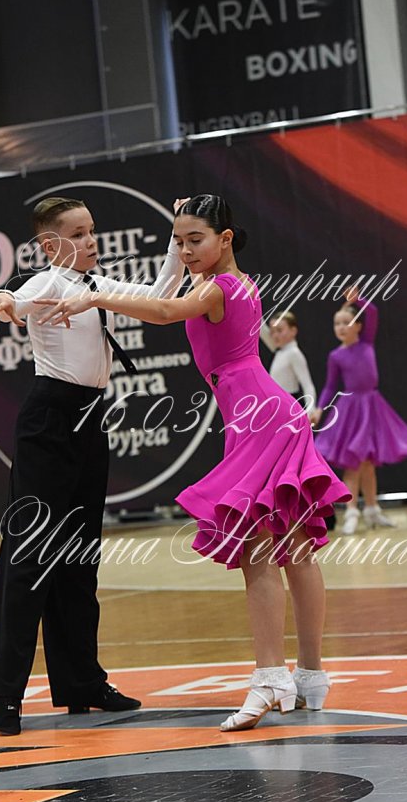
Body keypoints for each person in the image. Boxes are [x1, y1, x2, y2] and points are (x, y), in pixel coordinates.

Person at [35, 194, 350, 733]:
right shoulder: (234, 282)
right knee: (296, 549)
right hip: (266, 413)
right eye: (178, 241)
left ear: (225, 239)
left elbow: (163, 312)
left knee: (258, 551)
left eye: (195, 240)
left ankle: (269, 678)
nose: (184, 250)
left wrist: (95, 298)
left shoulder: (217, 287)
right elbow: (169, 296)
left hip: (259, 417)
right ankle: (311, 676)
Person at [0, 196, 185, 735]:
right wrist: (1, 300)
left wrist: (176, 240)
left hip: (90, 420)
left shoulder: (97, 286)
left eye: (93, 230)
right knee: (29, 556)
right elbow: (17, 298)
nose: (92, 241)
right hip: (48, 422)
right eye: (79, 233)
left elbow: (161, 296)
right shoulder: (46, 283)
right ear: (50, 245)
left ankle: (82, 683)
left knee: (80, 558)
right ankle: (4, 691)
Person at [313, 290, 407, 535]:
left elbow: (373, 311)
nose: (341, 327)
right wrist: (320, 408)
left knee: (368, 463)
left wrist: (357, 300)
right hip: (352, 410)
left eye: (346, 322)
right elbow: (330, 385)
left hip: (372, 407)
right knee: (354, 463)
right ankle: (351, 511)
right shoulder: (336, 355)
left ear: (358, 326)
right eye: (337, 324)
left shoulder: (366, 342)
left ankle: (372, 510)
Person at [260, 312, 336, 532]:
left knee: (301, 466)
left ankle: (324, 515)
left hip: (291, 412)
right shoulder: (280, 351)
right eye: (273, 331)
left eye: (280, 330)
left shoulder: (293, 353)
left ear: (293, 331)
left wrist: (310, 410)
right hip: (278, 414)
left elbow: (308, 384)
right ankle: (291, 512)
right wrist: (250, 302)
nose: (275, 335)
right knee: (290, 466)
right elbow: (262, 331)